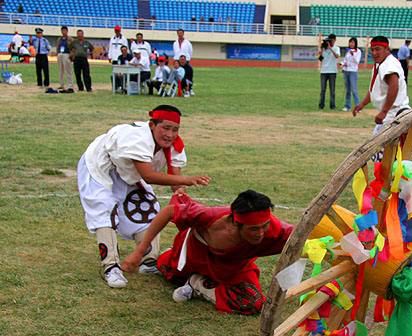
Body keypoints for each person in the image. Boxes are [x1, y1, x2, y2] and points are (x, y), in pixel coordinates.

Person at [76, 106, 211, 288]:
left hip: (127, 170)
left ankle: (148, 260)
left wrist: (181, 193)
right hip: (100, 165)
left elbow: (175, 181)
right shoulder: (137, 139)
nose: (170, 134)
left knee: (147, 208)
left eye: (175, 129)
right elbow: (148, 175)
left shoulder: (175, 146)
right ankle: (110, 266)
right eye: (165, 128)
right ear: (152, 125)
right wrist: (187, 180)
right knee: (104, 210)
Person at [122, 190, 293, 315]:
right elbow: (170, 211)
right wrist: (140, 251)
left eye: (265, 225)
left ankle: (197, 284)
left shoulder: (275, 229)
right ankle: (172, 259)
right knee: (170, 273)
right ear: (235, 224)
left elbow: (302, 235)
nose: (261, 233)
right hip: (196, 254)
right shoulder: (211, 218)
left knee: (252, 303)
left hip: (234, 266)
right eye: (254, 229)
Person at [353, 35, 410, 135]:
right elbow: (374, 89)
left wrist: (384, 111)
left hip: (395, 113)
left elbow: (394, 87)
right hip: (390, 113)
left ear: (387, 49)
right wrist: (362, 104)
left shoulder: (389, 65)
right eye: (372, 50)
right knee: (377, 146)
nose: (374, 53)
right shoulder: (380, 64)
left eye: (378, 49)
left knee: (379, 147)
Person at [317, 33, 340, 110]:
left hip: (332, 71)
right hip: (323, 71)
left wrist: (330, 48)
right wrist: (321, 52)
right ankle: (321, 105)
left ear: (335, 40)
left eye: (332, 40)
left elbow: (337, 56)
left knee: (332, 90)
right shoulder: (324, 48)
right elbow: (320, 59)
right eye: (330, 40)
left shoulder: (336, 48)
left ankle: (332, 105)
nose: (331, 42)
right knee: (323, 90)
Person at [341, 37, 361, 112]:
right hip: (346, 71)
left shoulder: (358, 51)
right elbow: (345, 60)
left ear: (355, 43)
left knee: (354, 89)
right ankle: (347, 106)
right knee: (348, 90)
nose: (351, 44)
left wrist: (353, 54)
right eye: (350, 42)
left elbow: (357, 61)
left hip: (353, 72)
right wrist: (342, 64)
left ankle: (358, 106)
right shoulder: (348, 51)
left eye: (353, 42)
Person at [56, 26, 74, 92]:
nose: (63, 32)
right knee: (61, 70)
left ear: (67, 31)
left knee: (68, 70)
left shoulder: (70, 39)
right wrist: (57, 53)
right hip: (60, 54)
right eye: (62, 31)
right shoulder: (59, 39)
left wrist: (71, 55)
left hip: (67, 54)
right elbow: (57, 47)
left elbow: (73, 48)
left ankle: (70, 85)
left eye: (64, 30)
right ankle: (61, 84)